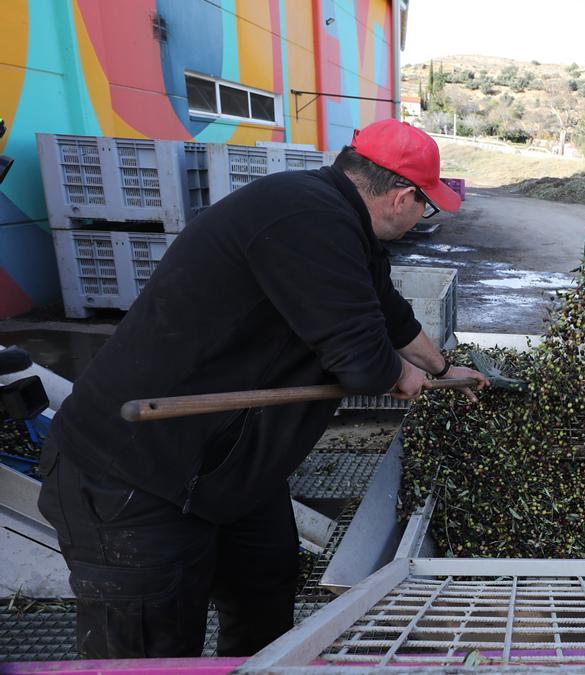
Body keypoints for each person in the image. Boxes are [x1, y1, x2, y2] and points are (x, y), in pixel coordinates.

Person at [37, 120, 488, 658]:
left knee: (265, 600)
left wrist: (441, 370)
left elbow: (389, 317)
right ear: (401, 197)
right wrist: (403, 376)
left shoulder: (345, 227)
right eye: (426, 207)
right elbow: (364, 363)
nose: (422, 218)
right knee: (151, 653)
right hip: (137, 476)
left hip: (229, 473)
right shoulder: (307, 218)